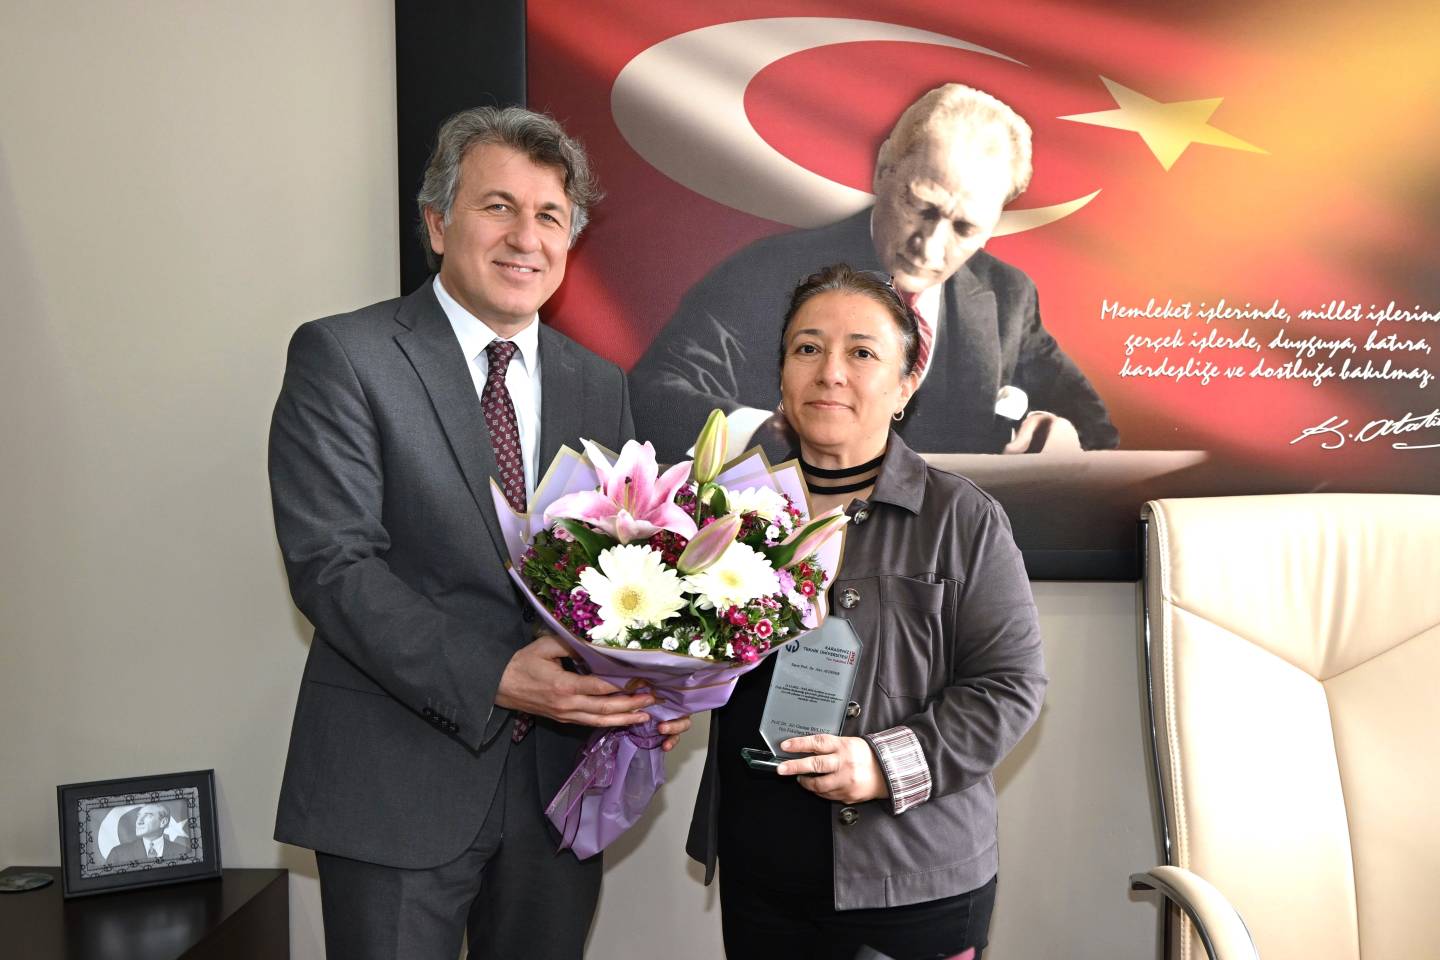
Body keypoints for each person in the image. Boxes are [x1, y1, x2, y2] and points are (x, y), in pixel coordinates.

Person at [269, 106, 689, 960]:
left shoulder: (598, 383)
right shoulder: (345, 357)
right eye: (498, 206)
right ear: (437, 224)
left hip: (555, 791)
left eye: (549, 216)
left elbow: (620, 566)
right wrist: (495, 674)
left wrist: (650, 682)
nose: (525, 237)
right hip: (396, 783)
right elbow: (333, 566)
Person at [687, 264, 1047, 960]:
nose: (830, 372)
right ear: (781, 374)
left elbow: (1011, 686)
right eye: (807, 348)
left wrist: (884, 764)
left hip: (910, 880)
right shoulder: (727, 511)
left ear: (906, 384)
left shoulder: (961, 518)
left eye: (861, 352)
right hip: (760, 870)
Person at [632, 83, 1118, 462]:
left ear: (993, 225)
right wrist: (765, 434)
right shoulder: (765, 273)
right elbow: (653, 394)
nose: (929, 246)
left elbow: (1095, 427)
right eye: (921, 206)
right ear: (884, 168)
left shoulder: (1009, 295)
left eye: (964, 228)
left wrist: (1064, 437)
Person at [105, 803, 189, 865]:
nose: (139, 821)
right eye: (138, 816)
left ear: (163, 822)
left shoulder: (183, 851)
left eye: (148, 815)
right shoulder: (118, 853)